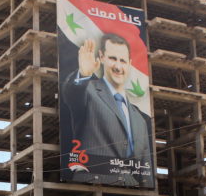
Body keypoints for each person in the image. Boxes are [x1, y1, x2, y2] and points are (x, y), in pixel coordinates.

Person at [61, 33, 154, 187]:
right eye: (112, 58)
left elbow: (146, 167)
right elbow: (72, 95)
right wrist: (84, 74)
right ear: (102, 57)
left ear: (129, 64)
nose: (118, 66)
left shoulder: (139, 119)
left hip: (129, 191)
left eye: (122, 60)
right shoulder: (89, 91)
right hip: (91, 185)